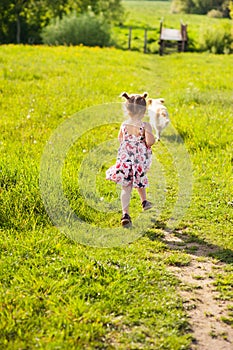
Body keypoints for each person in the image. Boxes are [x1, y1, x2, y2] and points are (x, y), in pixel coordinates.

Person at [106, 92, 155, 227]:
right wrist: (146, 139)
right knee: (140, 179)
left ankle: (125, 214)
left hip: (125, 159)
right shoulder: (145, 125)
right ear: (144, 111)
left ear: (127, 110)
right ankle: (144, 201)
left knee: (126, 187)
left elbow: (120, 139)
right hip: (139, 160)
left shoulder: (124, 125)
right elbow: (150, 142)